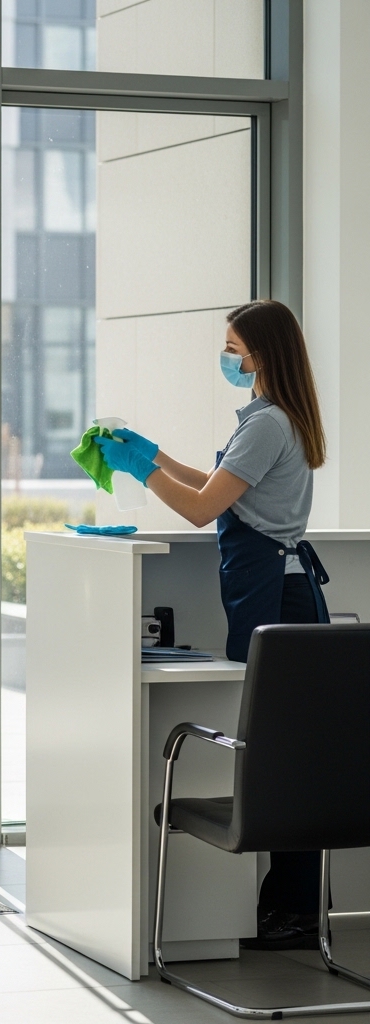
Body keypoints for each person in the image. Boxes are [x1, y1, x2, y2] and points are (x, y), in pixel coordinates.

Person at [96, 299, 330, 950]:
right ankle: (293, 910)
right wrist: (157, 454)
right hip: (284, 596)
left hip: (276, 603)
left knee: (280, 762)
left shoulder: (267, 423)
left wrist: (141, 470)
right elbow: (223, 486)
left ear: (262, 354)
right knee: (289, 760)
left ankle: (294, 914)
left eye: (233, 347)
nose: (227, 358)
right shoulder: (276, 418)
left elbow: (203, 510)